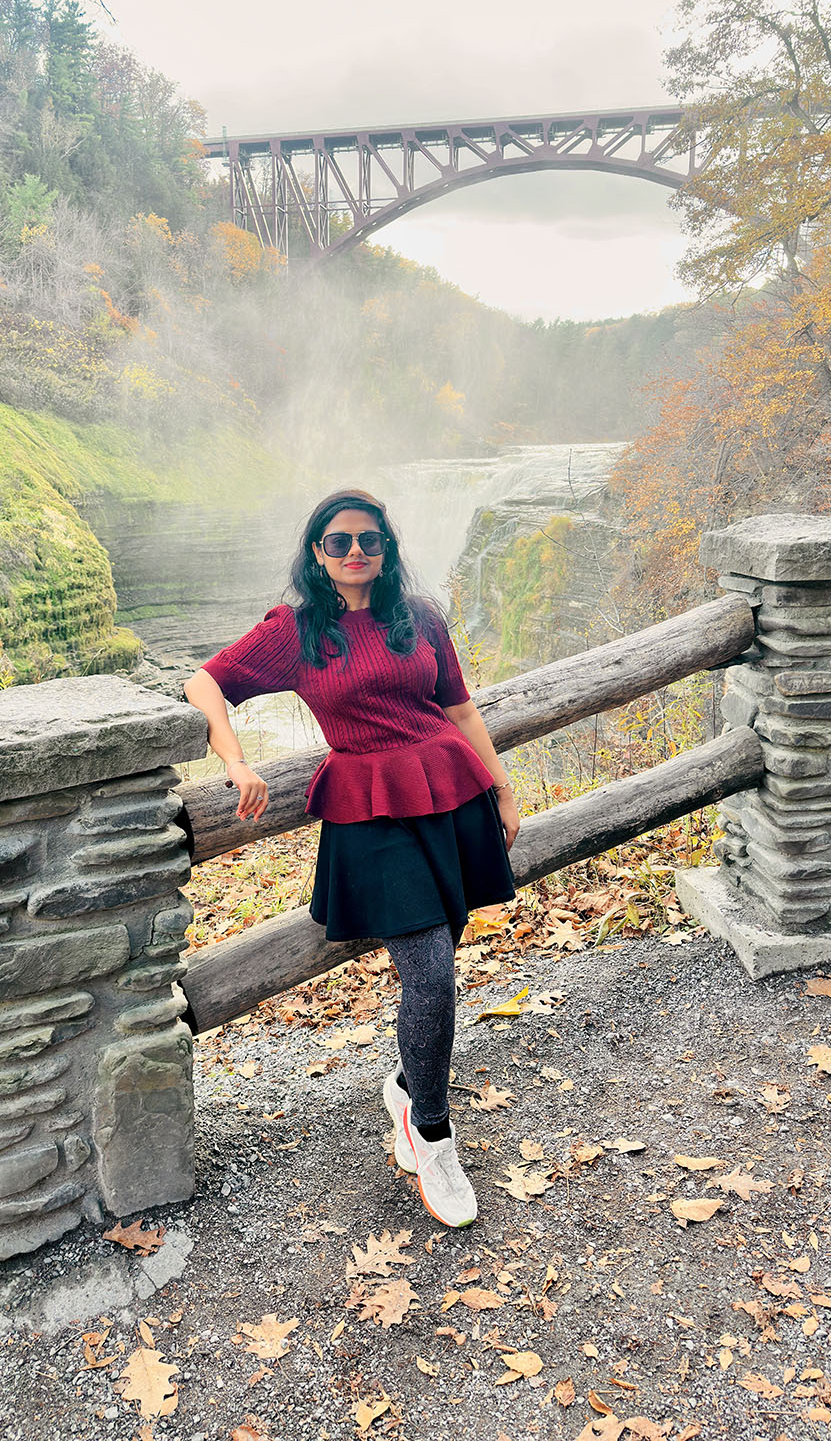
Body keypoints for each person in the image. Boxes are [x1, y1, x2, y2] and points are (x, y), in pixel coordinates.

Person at [183, 488, 519, 1228]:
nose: (356, 552)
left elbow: (459, 709)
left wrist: (502, 791)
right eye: (339, 542)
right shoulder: (296, 630)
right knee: (430, 975)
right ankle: (431, 1134)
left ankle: (408, 1086)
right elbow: (206, 682)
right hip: (372, 809)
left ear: (388, 548)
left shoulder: (419, 616)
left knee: (438, 966)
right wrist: (235, 762)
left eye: (370, 540)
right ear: (317, 553)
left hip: (452, 795)